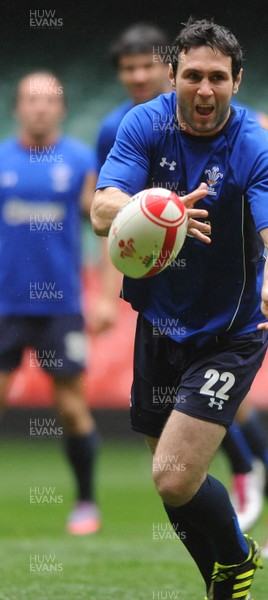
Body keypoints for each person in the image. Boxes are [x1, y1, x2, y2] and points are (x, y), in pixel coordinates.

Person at [92, 17, 268, 598]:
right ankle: (222, 575)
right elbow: (102, 211)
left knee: (172, 475)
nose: (204, 90)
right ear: (172, 76)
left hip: (230, 332)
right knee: (173, 479)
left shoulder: (255, 147)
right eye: (192, 76)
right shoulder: (144, 123)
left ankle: (236, 559)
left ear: (238, 81)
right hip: (158, 323)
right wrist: (158, 208)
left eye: (217, 78)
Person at [0, 72, 112, 536]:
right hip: (4, 306)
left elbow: (105, 226)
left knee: (70, 408)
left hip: (60, 305)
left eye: (49, 101)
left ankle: (86, 502)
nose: (40, 108)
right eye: (31, 100)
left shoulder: (81, 160)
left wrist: (106, 296)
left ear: (61, 109)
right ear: (17, 107)